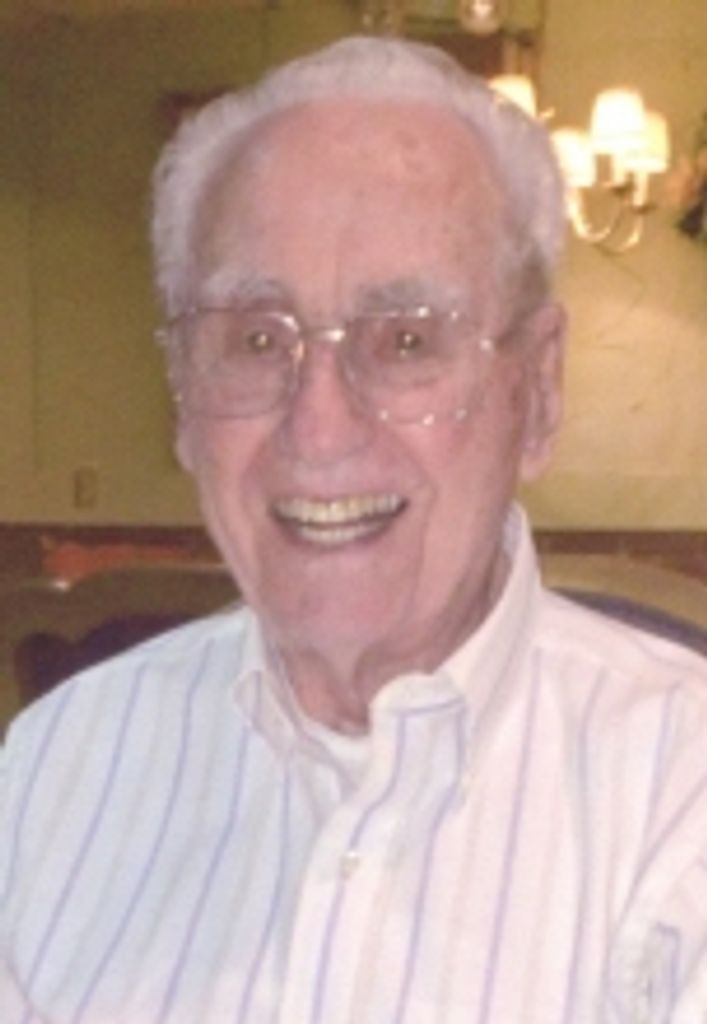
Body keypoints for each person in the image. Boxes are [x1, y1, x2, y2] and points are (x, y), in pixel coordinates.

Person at [2, 36, 707, 1024]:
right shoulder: (56, 769)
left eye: (407, 340)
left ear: (537, 393)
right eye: (256, 339)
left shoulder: (680, 802)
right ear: (183, 395)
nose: (319, 428)